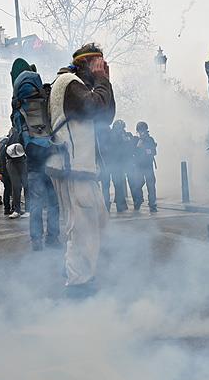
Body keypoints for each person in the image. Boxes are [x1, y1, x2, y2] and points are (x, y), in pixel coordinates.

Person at [47, 43, 116, 297]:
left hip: (79, 167)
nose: (100, 68)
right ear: (86, 63)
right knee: (82, 226)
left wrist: (105, 82)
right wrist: (101, 81)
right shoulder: (68, 82)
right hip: (73, 167)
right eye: (97, 64)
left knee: (95, 220)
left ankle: (77, 271)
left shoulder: (78, 85)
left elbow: (105, 116)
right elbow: (96, 108)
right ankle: (78, 284)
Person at [10, 58, 61, 251]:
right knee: (54, 202)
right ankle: (53, 238)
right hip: (50, 155)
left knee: (36, 204)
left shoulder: (17, 106)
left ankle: (36, 241)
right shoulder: (44, 99)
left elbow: (17, 130)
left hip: (32, 161)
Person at [103, 120, 131, 212]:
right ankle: (120, 205)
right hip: (116, 164)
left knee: (106, 186)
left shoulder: (108, 134)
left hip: (107, 164)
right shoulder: (120, 136)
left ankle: (106, 206)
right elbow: (124, 150)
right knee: (118, 185)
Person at [133, 121, 158, 213]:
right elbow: (133, 153)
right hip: (139, 167)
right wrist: (137, 147)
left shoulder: (150, 140)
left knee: (151, 186)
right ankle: (138, 201)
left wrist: (147, 150)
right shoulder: (136, 140)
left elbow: (154, 152)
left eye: (141, 131)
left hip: (148, 167)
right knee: (137, 185)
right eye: (139, 131)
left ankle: (152, 205)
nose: (140, 133)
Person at [4, 131, 29, 219]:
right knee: (15, 186)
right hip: (12, 163)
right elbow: (4, 156)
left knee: (27, 185)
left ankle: (28, 209)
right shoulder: (11, 140)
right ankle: (17, 209)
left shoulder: (24, 134)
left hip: (23, 161)